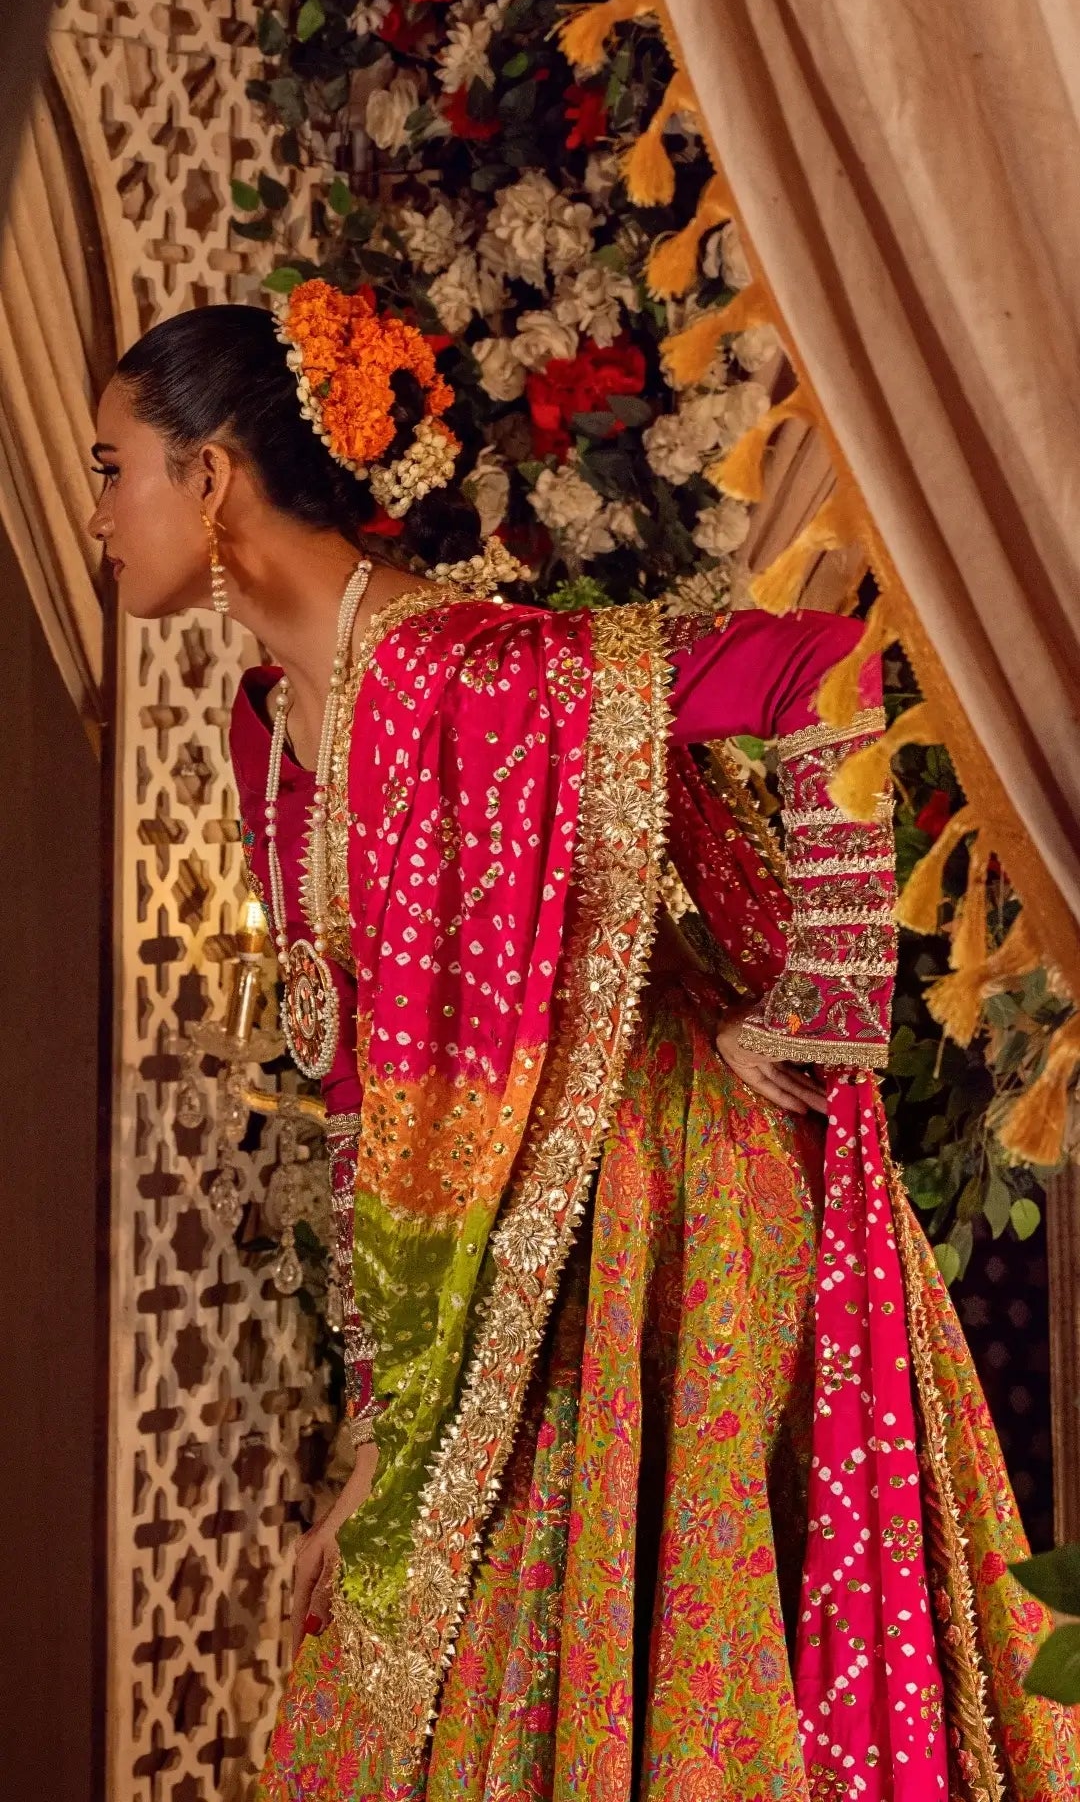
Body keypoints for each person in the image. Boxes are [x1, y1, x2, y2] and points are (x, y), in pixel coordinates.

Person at [90, 279, 1080, 1802]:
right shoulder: (264, 726)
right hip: (470, 1256)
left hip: (655, 1213)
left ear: (209, 477)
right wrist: (374, 1434)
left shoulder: (480, 670)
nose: (97, 510)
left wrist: (823, 997)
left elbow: (820, 667)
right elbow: (363, 1095)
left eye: (112, 469)